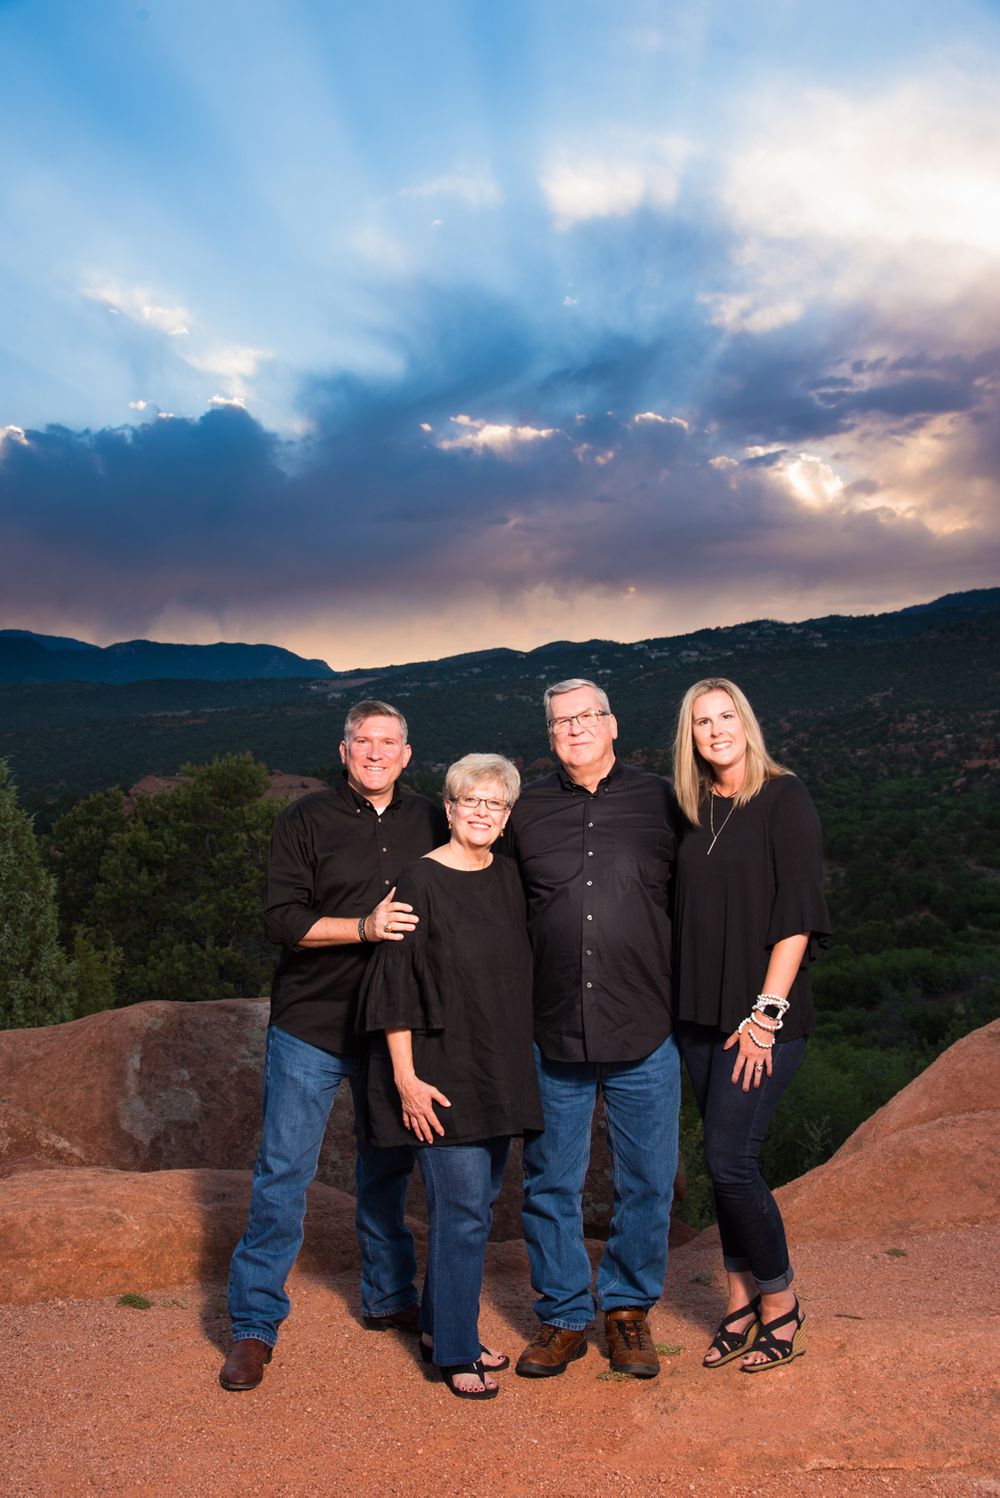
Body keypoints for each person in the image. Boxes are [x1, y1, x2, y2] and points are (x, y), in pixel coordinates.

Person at [220, 700, 448, 1392]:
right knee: (284, 1173)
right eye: (363, 741)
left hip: (395, 1031)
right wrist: (363, 928)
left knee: (386, 1173)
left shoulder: (432, 817)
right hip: (311, 1025)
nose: (376, 752)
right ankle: (255, 1326)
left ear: (407, 754)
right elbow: (281, 919)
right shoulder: (304, 820)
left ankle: (388, 1296)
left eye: (389, 742)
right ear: (344, 751)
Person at [504, 678, 681, 1380]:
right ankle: (565, 1316)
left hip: (646, 1025)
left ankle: (628, 1311)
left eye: (586, 717)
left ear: (612, 724)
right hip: (553, 1032)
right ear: (549, 735)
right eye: (560, 721)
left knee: (648, 1180)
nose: (574, 729)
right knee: (551, 1181)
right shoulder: (527, 811)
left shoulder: (664, 801)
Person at [358, 753, 542, 1400]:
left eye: (496, 804)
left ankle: (440, 1326)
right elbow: (393, 986)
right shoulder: (419, 880)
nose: (484, 814)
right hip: (439, 1074)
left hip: (496, 1068)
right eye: (472, 802)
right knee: (462, 1212)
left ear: (507, 815)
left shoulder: (511, 877)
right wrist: (405, 1079)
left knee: (475, 1208)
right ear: (451, 807)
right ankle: (457, 1353)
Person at [671, 677, 830, 1372]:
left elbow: (797, 914)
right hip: (697, 1017)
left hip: (757, 1019)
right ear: (691, 735)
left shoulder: (783, 797)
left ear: (746, 722)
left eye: (726, 716)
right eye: (702, 721)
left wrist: (766, 1016)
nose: (715, 730)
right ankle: (736, 1299)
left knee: (731, 1161)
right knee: (720, 1160)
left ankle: (781, 1301)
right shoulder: (692, 806)